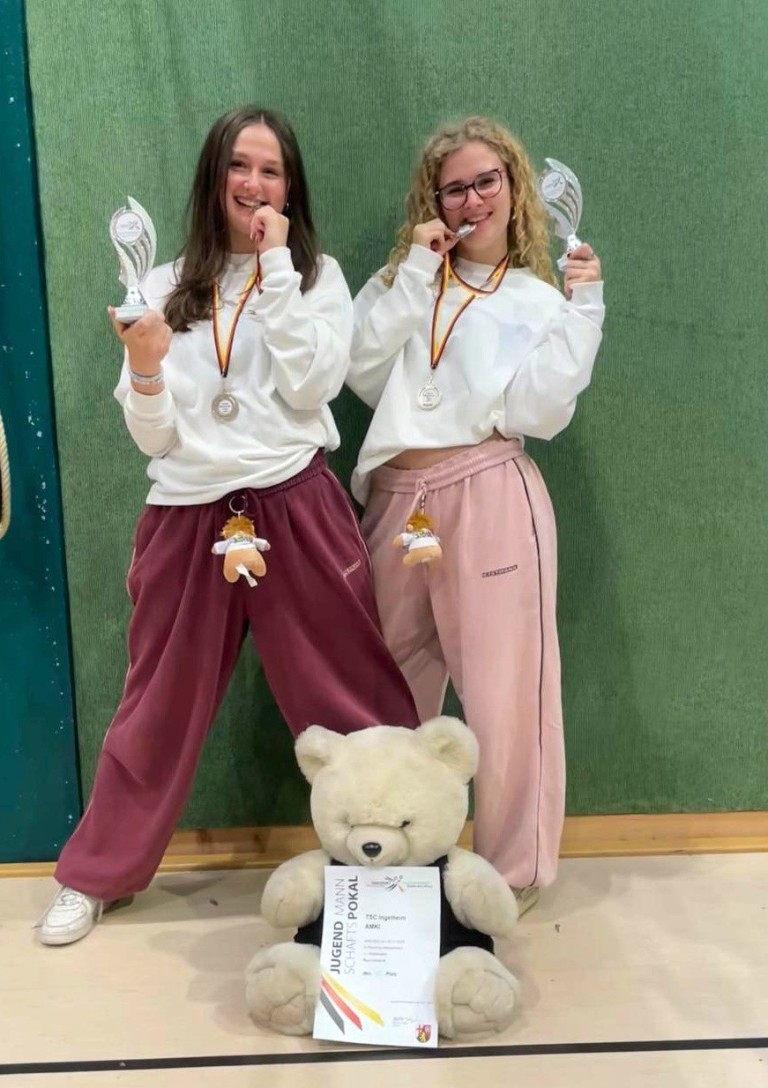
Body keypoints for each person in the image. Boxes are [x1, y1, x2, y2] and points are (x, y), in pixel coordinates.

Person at [37, 106, 419, 946]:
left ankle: (406, 868)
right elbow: (156, 435)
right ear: (215, 180)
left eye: (271, 170)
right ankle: (96, 874)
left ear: (291, 187)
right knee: (156, 709)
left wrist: (276, 263)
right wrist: (143, 367)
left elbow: (315, 385)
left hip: (294, 505)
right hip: (187, 514)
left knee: (351, 695)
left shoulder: (313, 278)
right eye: (239, 167)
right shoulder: (166, 283)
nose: (254, 184)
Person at [346, 116, 605, 914]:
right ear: (434, 199)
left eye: (486, 181)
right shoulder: (399, 282)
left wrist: (585, 307)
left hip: (490, 490)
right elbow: (355, 369)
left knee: (505, 693)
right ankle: (392, 855)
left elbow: (541, 409)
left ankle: (510, 871)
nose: (471, 198)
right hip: (396, 499)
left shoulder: (536, 299)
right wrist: (418, 272)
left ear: (513, 189)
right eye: (453, 185)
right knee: (386, 686)